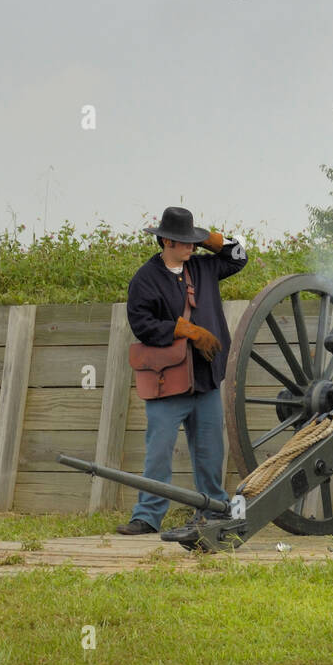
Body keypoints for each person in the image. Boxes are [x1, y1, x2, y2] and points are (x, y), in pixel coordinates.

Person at [115, 206, 248, 541]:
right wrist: (185, 330)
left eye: (194, 241)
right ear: (166, 241)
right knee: (158, 452)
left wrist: (210, 238)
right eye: (186, 242)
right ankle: (147, 516)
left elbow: (238, 257)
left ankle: (214, 510)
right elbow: (142, 324)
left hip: (205, 379)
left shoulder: (204, 267)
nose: (192, 247)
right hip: (168, 379)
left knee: (210, 452)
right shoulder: (145, 279)